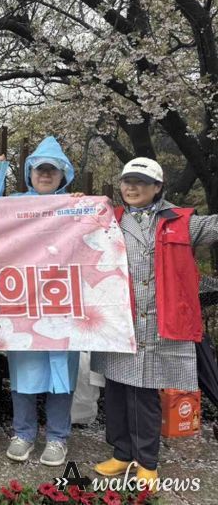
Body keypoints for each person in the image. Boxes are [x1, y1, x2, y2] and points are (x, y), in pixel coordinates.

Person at [92, 157, 218, 490]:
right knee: (116, 390)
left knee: (145, 392)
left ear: (157, 187)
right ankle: (121, 453)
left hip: (158, 323)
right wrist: (74, 202)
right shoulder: (110, 219)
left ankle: (147, 461)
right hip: (119, 321)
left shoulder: (181, 221)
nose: (131, 188)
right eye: (127, 181)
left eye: (141, 182)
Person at [0, 136, 80, 467]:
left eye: (52, 170)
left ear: (64, 175)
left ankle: (57, 437)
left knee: (61, 375)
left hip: (62, 303)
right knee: (23, 371)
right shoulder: (16, 204)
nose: (46, 175)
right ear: (30, 173)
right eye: (40, 169)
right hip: (22, 301)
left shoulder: (74, 206)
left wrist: (90, 207)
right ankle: (23, 433)